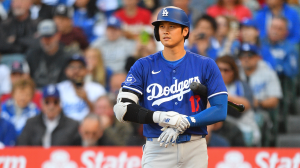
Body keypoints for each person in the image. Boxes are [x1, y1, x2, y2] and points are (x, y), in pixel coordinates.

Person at [113, 7, 228, 167]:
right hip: (158, 146)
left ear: (185, 31)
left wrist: (186, 122)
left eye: (171, 26)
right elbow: (122, 110)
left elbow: (220, 110)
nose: (165, 31)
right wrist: (163, 118)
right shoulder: (143, 65)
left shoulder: (205, 64)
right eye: (161, 27)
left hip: (194, 148)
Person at [216, 56, 261, 146]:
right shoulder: (208, 84)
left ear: (233, 72)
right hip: (218, 127)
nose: (222, 73)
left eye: (226, 70)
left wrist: (222, 94)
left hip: (242, 124)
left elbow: (245, 106)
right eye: (219, 69)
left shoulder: (242, 85)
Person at [57, 55, 106, 121]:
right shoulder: (59, 89)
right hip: (65, 127)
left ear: (86, 70)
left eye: (80, 67)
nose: (76, 71)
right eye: (72, 67)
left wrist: (86, 99)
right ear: (66, 71)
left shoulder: (97, 89)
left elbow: (102, 115)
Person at [26, 19, 71, 88]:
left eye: (49, 37)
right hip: (36, 94)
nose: (46, 41)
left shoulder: (67, 57)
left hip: (59, 95)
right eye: (43, 37)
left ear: (58, 35)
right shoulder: (32, 55)